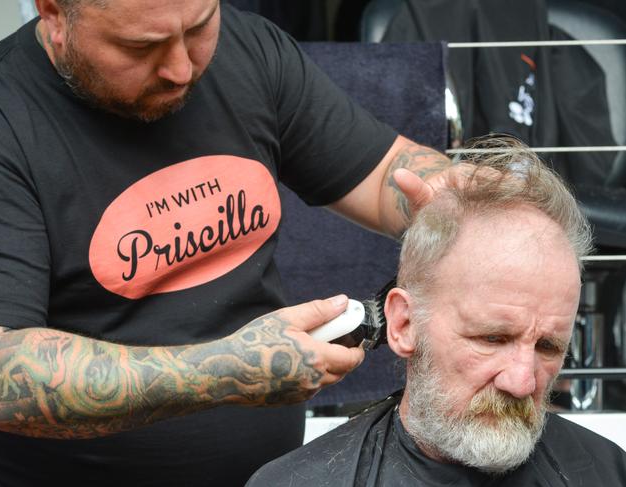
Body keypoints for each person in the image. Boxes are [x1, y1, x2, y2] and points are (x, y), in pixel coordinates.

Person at [0, 1, 461, 486]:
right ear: (54, 13)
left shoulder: (249, 49)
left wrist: (469, 203)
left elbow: (383, 177)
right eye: (141, 46)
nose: (182, 68)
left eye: (200, 27)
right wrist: (228, 370)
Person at [247, 136, 626, 486]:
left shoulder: (607, 472)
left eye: (548, 346)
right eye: (492, 338)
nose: (523, 382)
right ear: (404, 323)